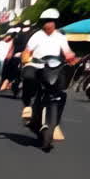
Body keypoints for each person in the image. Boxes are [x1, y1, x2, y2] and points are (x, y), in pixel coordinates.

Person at [21, 8, 74, 142]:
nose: (49, 24)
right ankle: (28, 106)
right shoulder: (37, 36)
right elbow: (27, 51)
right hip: (37, 66)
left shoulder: (60, 36)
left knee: (61, 94)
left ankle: (55, 125)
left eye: (51, 21)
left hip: (53, 68)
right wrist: (26, 58)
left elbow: (67, 52)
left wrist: (71, 57)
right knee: (28, 76)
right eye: (46, 21)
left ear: (55, 23)